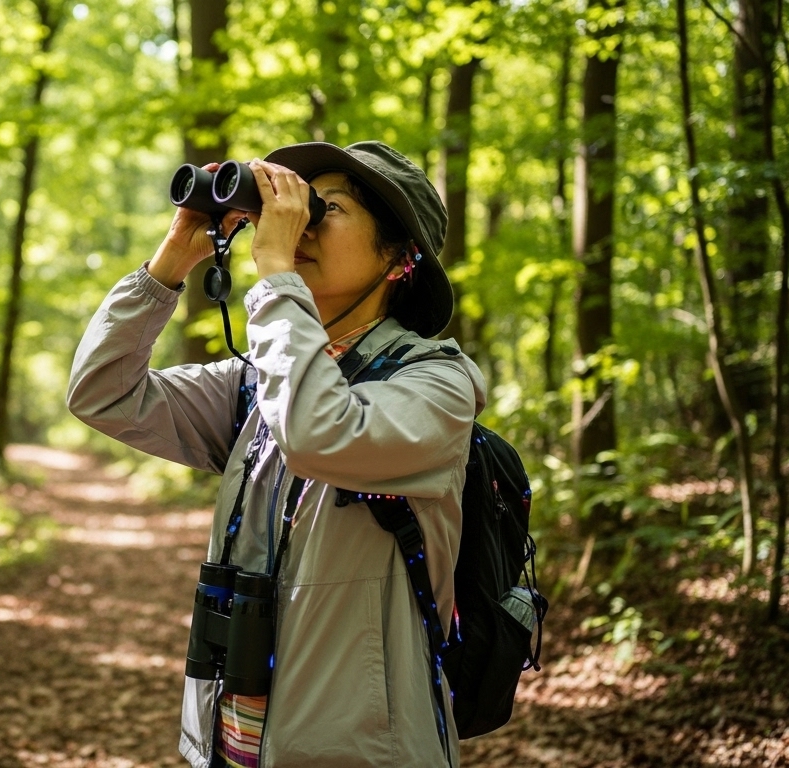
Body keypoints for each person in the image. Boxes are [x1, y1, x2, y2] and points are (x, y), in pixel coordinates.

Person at [66, 141, 486, 768]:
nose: (300, 223)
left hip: (361, 751)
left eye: (328, 208)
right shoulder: (258, 381)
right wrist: (171, 261)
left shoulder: (436, 385)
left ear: (400, 259)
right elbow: (103, 392)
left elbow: (321, 434)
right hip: (239, 735)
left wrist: (275, 279)